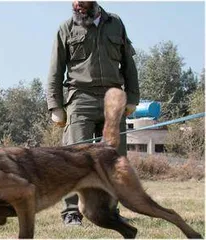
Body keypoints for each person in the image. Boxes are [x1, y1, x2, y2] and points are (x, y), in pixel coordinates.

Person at [46, 1, 140, 226]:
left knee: (114, 159)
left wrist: (133, 97)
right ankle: (71, 213)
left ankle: (109, 211)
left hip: (113, 98)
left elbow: (129, 64)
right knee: (73, 158)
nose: (76, 3)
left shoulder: (116, 24)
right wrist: (55, 106)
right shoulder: (65, 28)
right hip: (80, 97)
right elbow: (55, 70)